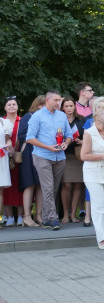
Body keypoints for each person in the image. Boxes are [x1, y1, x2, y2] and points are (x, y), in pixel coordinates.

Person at [26, 90, 74, 230]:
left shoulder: (61, 115)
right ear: (47, 100)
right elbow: (29, 138)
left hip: (59, 155)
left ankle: (46, 218)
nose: (59, 103)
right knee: (47, 187)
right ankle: (53, 219)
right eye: (56, 100)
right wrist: (48, 147)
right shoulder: (37, 116)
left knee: (53, 188)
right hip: (42, 155)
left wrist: (67, 142)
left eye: (59, 100)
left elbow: (69, 134)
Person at [81, 107, 104, 249]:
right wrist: (103, 156)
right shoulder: (89, 133)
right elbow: (84, 156)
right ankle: (101, 238)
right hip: (92, 173)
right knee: (99, 205)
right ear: (96, 120)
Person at [17, 95, 45, 227]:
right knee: (30, 184)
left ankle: (38, 214)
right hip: (29, 153)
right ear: (39, 105)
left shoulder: (47, 118)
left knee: (40, 184)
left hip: (43, 153)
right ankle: (27, 216)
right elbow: (21, 135)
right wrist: (37, 140)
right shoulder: (28, 116)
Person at [2, 96, 23, 226]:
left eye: (14, 104)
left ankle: (20, 216)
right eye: (9, 104)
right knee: (6, 188)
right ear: (4, 107)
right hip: (3, 158)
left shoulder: (22, 121)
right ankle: (9, 216)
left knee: (20, 185)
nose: (11, 106)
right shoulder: (1, 122)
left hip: (19, 157)